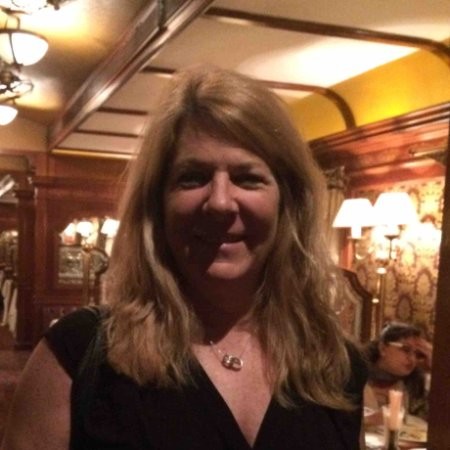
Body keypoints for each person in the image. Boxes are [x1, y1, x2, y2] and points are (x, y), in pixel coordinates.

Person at [1, 65, 367, 450]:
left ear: (287, 203)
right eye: (192, 177)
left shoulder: (334, 365)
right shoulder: (76, 356)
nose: (220, 203)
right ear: (157, 206)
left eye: (247, 177)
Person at [363, 322, 432, 427]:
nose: (412, 359)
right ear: (383, 348)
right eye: (406, 349)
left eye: (418, 354)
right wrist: (367, 420)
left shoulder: (413, 385)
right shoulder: (354, 376)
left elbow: (435, 424)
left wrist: (437, 370)